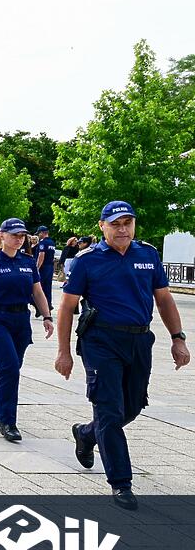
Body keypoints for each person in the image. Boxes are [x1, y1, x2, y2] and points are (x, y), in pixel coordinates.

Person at [55, 201, 189, 511]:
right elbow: (66, 308)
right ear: (102, 226)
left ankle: (87, 433)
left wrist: (178, 338)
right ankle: (121, 482)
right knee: (110, 410)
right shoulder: (87, 261)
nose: (122, 228)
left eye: (128, 222)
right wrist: (64, 352)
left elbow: (165, 299)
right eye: (115, 223)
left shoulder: (147, 254)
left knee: (132, 406)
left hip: (139, 340)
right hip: (101, 341)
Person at [0, 219, 55, 442]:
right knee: (10, 367)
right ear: (2, 236)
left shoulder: (28, 262)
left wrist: (47, 316)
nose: (19, 239)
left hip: (20, 320)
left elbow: (38, 292)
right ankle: (8, 421)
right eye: (14, 235)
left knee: (10, 369)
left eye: (22, 235)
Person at [33, 226, 57, 316]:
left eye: (39, 233)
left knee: (37, 288)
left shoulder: (43, 242)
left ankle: (38, 306)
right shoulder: (52, 242)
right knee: (47, 288)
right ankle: (48, 306)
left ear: (42, 232)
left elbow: (41, 255)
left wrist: (37, 268)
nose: (38, 235)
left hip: (43, 267)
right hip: (49, 267)